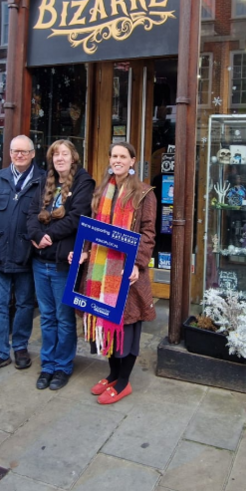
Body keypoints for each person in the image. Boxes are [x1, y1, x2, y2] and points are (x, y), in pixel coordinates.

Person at [76, 142, 156, 404]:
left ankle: (123, 382)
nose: (117, 160)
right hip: (100, 269)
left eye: (123, 156)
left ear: (133, 161)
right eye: (114, 156)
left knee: (127, 325)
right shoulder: (101, 190)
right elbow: (93, 227)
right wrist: (85, 252)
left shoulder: (144, 193)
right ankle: (111, 374)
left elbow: (147, 233)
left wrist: (137, 264)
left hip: (127, 270)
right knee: (104, 319)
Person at [26, 140, 95, 390]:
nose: (60, 158)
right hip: (40, 261)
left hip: (62, 263)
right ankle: (48, 365)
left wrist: (50, 236)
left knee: (64, 318)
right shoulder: (46, 181)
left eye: (65, 154)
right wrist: (36, 235)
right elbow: (32, 213)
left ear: (73, 158)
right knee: (46, 317)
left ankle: (63, 366)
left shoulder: (83, 182)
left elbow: (77, 218)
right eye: (56, 154)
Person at [0, 135, 45, 378]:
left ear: (33, 154)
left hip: (26, 255)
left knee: (25, 304)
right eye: (15, 151)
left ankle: (20, 347)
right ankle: (0, 352)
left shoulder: (43, 180)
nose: (19, 155)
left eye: (24, 152)